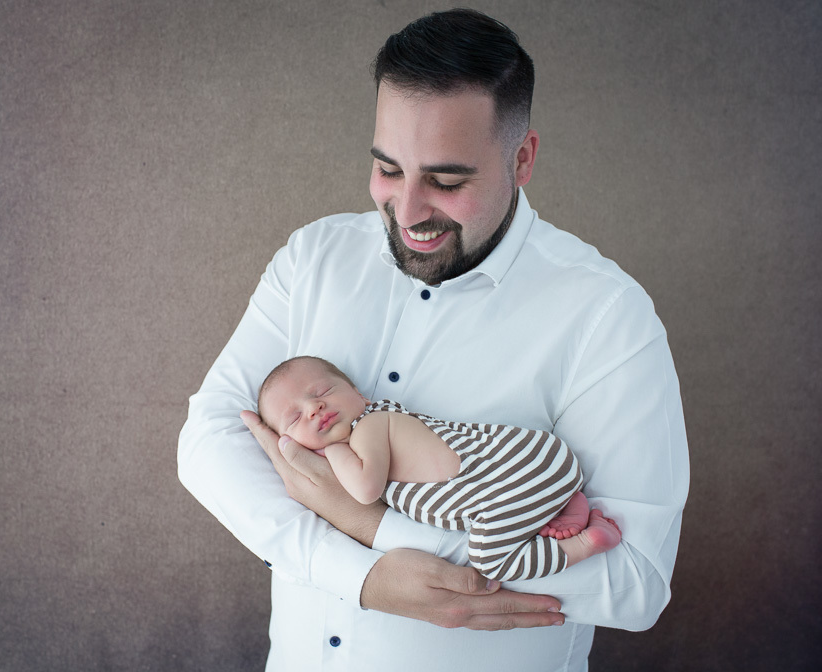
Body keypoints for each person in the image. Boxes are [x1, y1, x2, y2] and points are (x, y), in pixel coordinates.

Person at [178, 8, 689, 671]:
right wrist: (360, 575)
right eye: (388, 169)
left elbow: (635, 582)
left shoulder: (605, 315)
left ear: (523, 158)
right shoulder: (316, 258)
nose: (408, 210)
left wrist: (374, 528)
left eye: (447, 182)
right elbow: (211, 440)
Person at [256, 355, 623, 582]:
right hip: (543, 459)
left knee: (490, 560)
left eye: (323, 391)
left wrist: (333, 452)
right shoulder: (388, 419)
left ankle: (586, 543)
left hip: (520, 477)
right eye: (294, 417)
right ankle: (564, 502)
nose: (314, 407)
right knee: (503, 500)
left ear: (359, 394)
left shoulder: (370, 426)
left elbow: (365, 491)